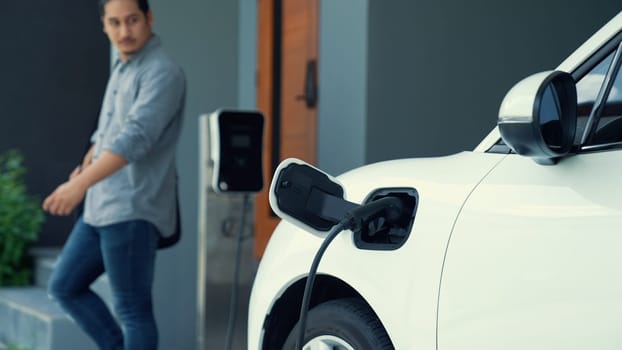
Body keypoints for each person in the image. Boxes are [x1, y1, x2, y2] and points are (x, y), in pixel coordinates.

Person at [44, 0, 185, 348]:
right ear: (104, 26)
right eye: (115, 23)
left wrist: (79, 184)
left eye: (133, 20)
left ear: (149, 19)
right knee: (64, 286)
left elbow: (135, 138)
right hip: (100, 206)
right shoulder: (123, 68)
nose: (124, 31)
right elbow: (104, 136)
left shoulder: (161, 71)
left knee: (133, 311)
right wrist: (80, 172)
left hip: (132, 210)